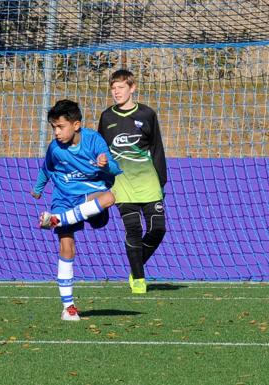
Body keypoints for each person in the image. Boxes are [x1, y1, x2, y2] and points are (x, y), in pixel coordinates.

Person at [31, 99, 122, 321]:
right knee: (67, 246)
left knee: (110, 197)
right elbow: (47, 168)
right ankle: (68, 307)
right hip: (64, 198)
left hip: (90, 193)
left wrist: (105, 164)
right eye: (53, 127)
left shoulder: (94, 140)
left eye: (61, 127)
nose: (56, 132)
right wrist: (38, 189)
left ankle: (58, 220)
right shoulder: (55, 149)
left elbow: (115, 168)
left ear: (76, 125)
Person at [97, 69, 167, 294]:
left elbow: (157, 149)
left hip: (148, 182)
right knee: (133, 229)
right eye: (113, 88)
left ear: (132, 88)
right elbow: (100, 150)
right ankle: (138, 278)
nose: (116, 92)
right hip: (122, 184)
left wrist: (161, 181)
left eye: (121, 88)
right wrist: (102, 182)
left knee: (158, 229)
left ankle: (137, 265)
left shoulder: (147, 114)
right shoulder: (106, 117)